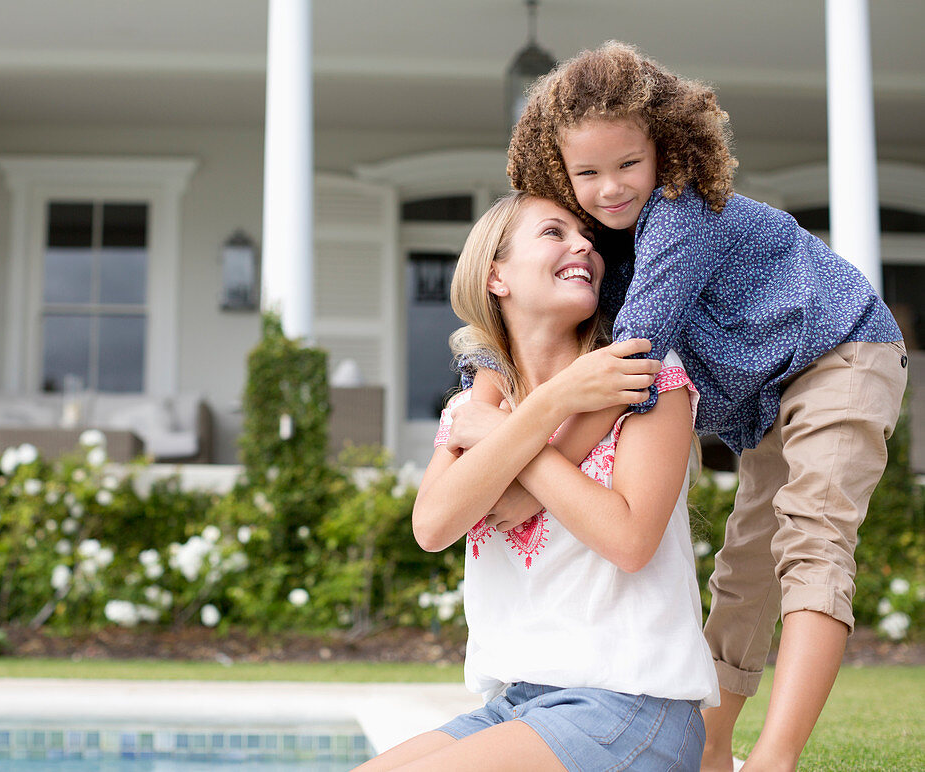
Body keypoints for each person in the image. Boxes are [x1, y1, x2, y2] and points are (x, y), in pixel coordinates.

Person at [481, 41, 908, 772]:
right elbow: (570, 351)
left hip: (841, 353)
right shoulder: (606, 252)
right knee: (746, 563)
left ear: (666, 148)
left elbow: (631, 365)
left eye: (627, 165)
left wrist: (530, 466)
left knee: (813, 542)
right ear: (560, 170)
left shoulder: (681, 212)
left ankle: (774, 758)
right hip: (774, 393)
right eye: (587, 173)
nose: (610, 188)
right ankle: (713, 751)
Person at [356, 191, 717, 771]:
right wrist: (549, 406)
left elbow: (630, 541)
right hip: (515, 706)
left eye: (588, 239)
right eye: (555, 232)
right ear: (496, 274)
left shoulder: (643, 379)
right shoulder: (473, 410)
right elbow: (431, 526)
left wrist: (521, 428)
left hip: (629, 702)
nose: (583, 246)